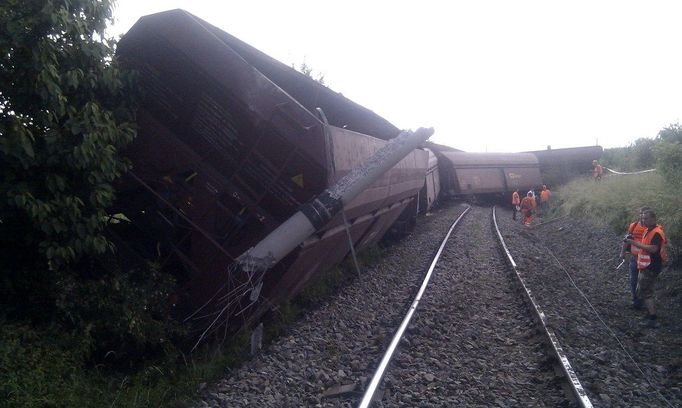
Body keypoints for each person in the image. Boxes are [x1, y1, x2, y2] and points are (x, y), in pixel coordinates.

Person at [625, 209, 667, 327]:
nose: (644, 220)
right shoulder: (649, 230)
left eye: (646, 218)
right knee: (645, 290)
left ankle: (653, 319)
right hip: (646, 265)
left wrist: (634, 243)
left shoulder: (656, 232)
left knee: (645, 292)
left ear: (653, 219)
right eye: (643, 218)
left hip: (651, 266)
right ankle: (650, 314)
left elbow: (653, 249)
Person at [619, 207, 650, 310]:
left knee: (643, 282)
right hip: (634, 258)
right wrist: (622, 252)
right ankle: (636, 300)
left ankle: (644, 302)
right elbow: (627, 239)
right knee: (633, 280)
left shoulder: (651, 228)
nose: (642, 216)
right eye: (641, 214)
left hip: (647, 259)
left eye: (644, 214)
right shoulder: (633, 226)